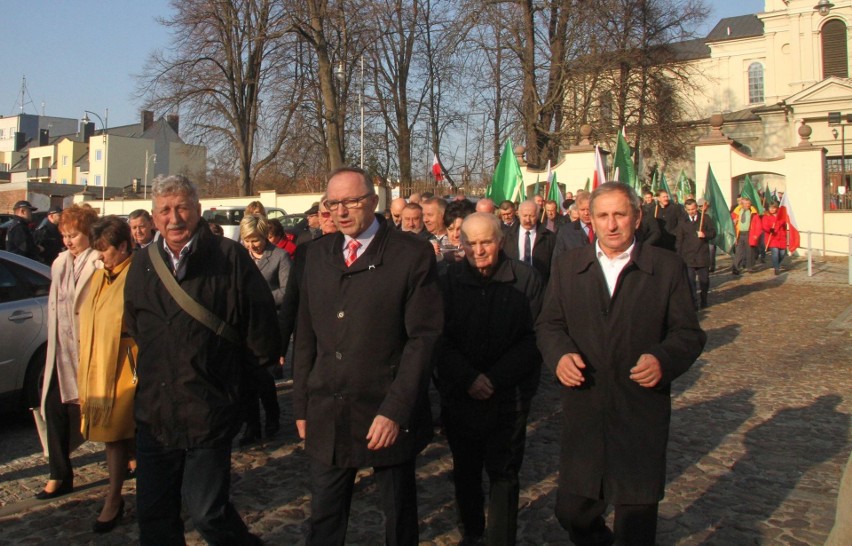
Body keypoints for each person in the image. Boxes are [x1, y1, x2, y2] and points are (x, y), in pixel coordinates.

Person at [536, 183, 706, 545]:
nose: (611, 225)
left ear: (637, 217)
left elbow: (689, 333)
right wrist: (559, 354)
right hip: (586, 407)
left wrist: (663, 359)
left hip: (640, 410)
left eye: (620, 214)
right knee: (572, 511)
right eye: (603, 216)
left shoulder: (666, 267)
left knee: (636, 522)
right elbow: (549, 324)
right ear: (590, 220)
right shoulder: (568, 267)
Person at [125, 175, 278, 545]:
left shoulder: (230, 257)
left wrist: (238, 392)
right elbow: (134, 326)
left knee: (208, 512)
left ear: (197, 210)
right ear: (154, 217)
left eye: (181, 208)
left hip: (209, 408)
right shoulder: (143, 263)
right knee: (154, 517)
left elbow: (261, 331)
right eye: (165, 210)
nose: (174, 218)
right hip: (156, 413)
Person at [293, 167, 442, 545]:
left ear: (373, 202)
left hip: (384, 409)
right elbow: (306, 332)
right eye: (333, 203)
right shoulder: (315, 254)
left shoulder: (411, 253)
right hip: (328, 407)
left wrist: (396, 409)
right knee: (324, 518)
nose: (341, 212)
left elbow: (422, 339)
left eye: (352, 202)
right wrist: (300, 405)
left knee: (398, 516)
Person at [436, 212, 543, 546]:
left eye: (486, 242)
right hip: (461, 393)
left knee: (504, 474)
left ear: (500, 241)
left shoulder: (526, 279)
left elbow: (537, 337)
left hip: (509, 396)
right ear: (460, 243)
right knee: (465, 472)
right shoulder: (447, 281)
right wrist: (468, 378)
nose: (478, 250)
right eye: (471, 243)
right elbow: (437, 338)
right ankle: (472, 531)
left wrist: (494, 379)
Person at [34, 204, 100, 500]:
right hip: (61, 351)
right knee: (53, 408)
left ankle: (129, 455)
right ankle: (59, 474)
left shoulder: (99, 261)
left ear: (88, 234)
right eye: (64, 235)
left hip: (89, 349)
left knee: (105, 409)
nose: (68, 241)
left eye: (73, 235)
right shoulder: (59, 263)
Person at [77, 216, 138, 533]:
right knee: (114, 439)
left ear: (124, 247)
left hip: (130, 366)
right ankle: (114, 498)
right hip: (102, 367)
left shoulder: (138, 274)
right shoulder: (101, 276)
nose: (99, 256)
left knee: (131, 434)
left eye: (105, 250)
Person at [237, 214, 290, 445]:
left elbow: (287, 290)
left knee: (264, 377)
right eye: (247, 240)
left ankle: (272, 416)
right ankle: (251, 426)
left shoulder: (279, 256)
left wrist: (262, 297)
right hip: (243, 325)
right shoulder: (239, 256)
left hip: (268, 324)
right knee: (245, 379)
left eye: (255, 240)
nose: (251, 245)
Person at [675, 199, 716, 309]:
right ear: (685, 209)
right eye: (689, 210)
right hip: (688, 256)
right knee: (690, 282)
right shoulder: (682, 221)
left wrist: (705, 234)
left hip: (702, 255)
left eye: (693, 209)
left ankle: (704, 299)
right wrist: (678, 256)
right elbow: (679, 239)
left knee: (704, 280)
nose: (691, 211)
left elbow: (713, 233)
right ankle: (694, 302)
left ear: (697, 207)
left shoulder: (705, 218)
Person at [503, 200, 556, 284]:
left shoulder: (549, 238)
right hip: (513, 285)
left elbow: (554, 267)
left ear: (538, 215)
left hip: (539, 285)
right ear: (518, 214)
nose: (528, 219)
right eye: (525, 216)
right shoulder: (506, 236)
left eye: (532, 216)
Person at [554, 192, 594, 258]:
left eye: (588, 209)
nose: (586, 213)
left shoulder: (603, 229)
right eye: (582, 210)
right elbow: (557, 259)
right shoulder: (565, 231)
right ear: (577, 210)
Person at [732, 196, 762, 275]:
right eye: (746, 204)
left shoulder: (754, 213)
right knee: (738, 251)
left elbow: (758, 225)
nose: (748, 205)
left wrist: (756, 235)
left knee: (750, 251)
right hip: (739, 233)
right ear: (742, 204)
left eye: (749, 203)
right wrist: (733, 221)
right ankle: (736, 268)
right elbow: (731, 221)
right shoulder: (737, 211)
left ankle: (750, 267)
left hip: (749, 233)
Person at [761, 201, 788, 275]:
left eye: (773, 208)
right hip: (772, 237)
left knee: (782, 253)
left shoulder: (781, 216)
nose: (772, 209)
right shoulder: (766, 216)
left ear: (776, 208)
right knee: (775, 253)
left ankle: (777, 264)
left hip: (781, 237)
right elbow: (764, 226)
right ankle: (776, 268)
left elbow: (784, 224)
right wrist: (770, 230)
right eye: (770, 208)